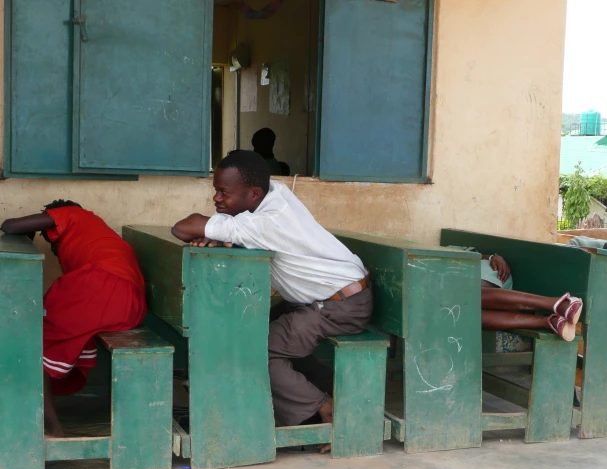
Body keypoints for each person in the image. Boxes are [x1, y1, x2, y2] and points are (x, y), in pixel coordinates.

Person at [172, 150, 371, 453]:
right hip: (332, 297)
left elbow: (182, 227)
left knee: (257, 350)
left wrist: (215, 230)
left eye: (223, 192)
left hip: (338, 306)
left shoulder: (267, 222)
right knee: (253, 330)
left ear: (253, 192)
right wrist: (223, 231)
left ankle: (325, 407)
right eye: (215, 190)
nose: (216, 198)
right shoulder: (275, 194)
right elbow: (215, 225)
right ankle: (333, 394)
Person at [1, 201, 147, 437]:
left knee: (31, 337)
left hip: (106, 289)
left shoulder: (72, 214)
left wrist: (35, 225)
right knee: (45, 326)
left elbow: (9, 225)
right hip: (130, 305)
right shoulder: (95, 234)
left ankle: (49, 426)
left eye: (50, 238)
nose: (53, 247)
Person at [451, 247, 583, 341]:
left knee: (468, 295)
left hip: (488, 275)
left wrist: (493, 257)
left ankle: (557, 303)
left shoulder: (437, 252)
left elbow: (471, 254)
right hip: (463, 299)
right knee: (468, 314)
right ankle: (550, 322)